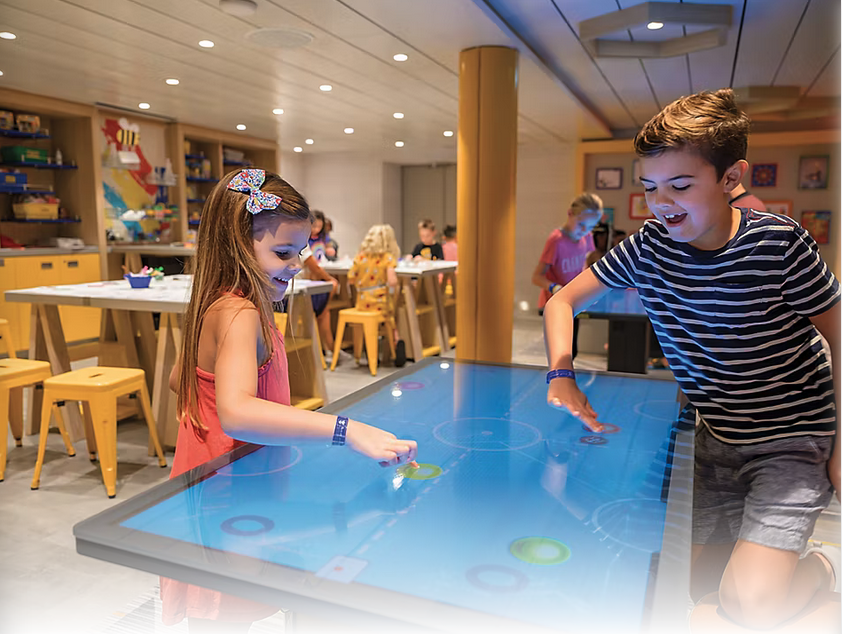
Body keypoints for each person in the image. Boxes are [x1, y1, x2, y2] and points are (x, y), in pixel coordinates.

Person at [543, 89, 839, 631]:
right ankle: (775, 565)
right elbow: (561, 300)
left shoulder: (779, 244)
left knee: (745, 604)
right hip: (717, 436)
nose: (663, 203)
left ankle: (818, 568)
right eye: (651, 188)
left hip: (793, 438)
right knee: (701, 592)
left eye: (681, 186)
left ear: (731, 178)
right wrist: (561, 373)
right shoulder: (648, 246)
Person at [164, 169, 418, 632]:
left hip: (224, 484)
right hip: (228, 493)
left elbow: (178, 380)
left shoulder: (221, 304)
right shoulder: (240, 311)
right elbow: (237, 412)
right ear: (237, 246)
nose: (297, 264)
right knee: (236, 609)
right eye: (282, 253)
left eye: (300, 250)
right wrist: (347, 430)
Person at [532, 193, 603, 359]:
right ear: (570, 214)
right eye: (581, 224)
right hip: (555, 303)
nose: (585, 231)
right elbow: (536, 277)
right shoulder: (556, 240)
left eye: (591, 227)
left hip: (573, 302)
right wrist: (556, 288)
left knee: (572, 352)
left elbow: (590, 262)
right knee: (561, 355)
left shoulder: (587, 237)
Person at [347, 224, 407, 367]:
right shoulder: (387, 258)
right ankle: (395, 344)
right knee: (391, 317)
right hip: (380, 303)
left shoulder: (360, 258)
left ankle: (368, 350)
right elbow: (392, 281)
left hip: (362, 303)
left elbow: (351, 278)